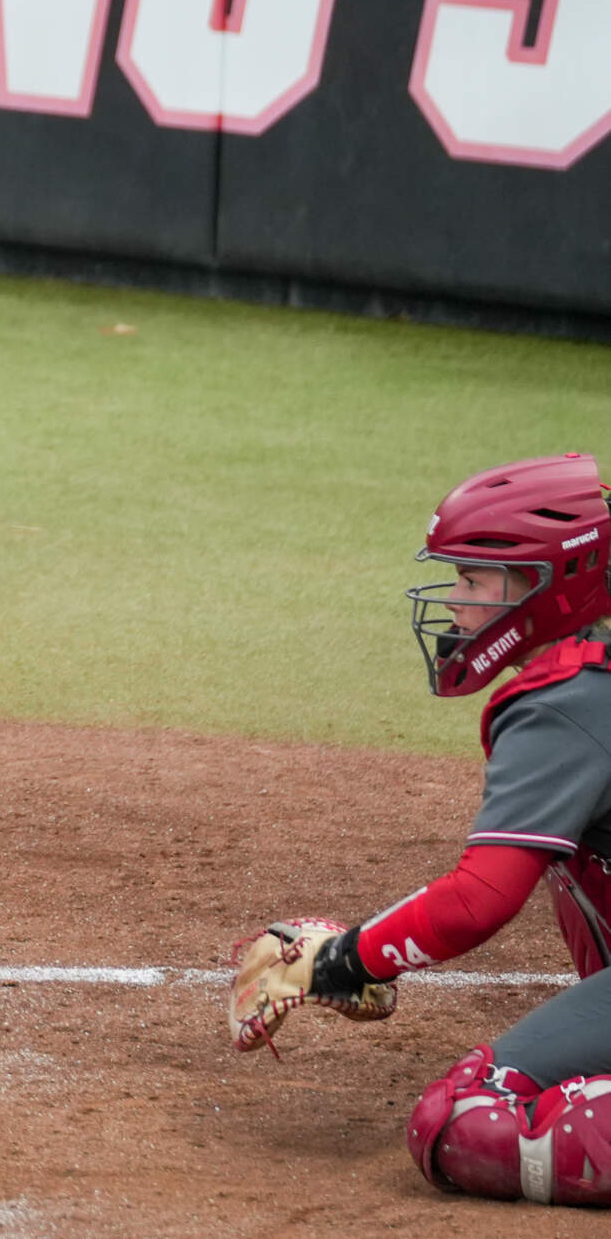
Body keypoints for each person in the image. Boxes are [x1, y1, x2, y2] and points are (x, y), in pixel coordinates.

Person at [232, 452, 611, 1204]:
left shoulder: (565, 701)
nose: (456, 603)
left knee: (467, 1120)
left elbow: (480, 898)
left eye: (473, 580)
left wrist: (345, 960)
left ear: (546, 584)